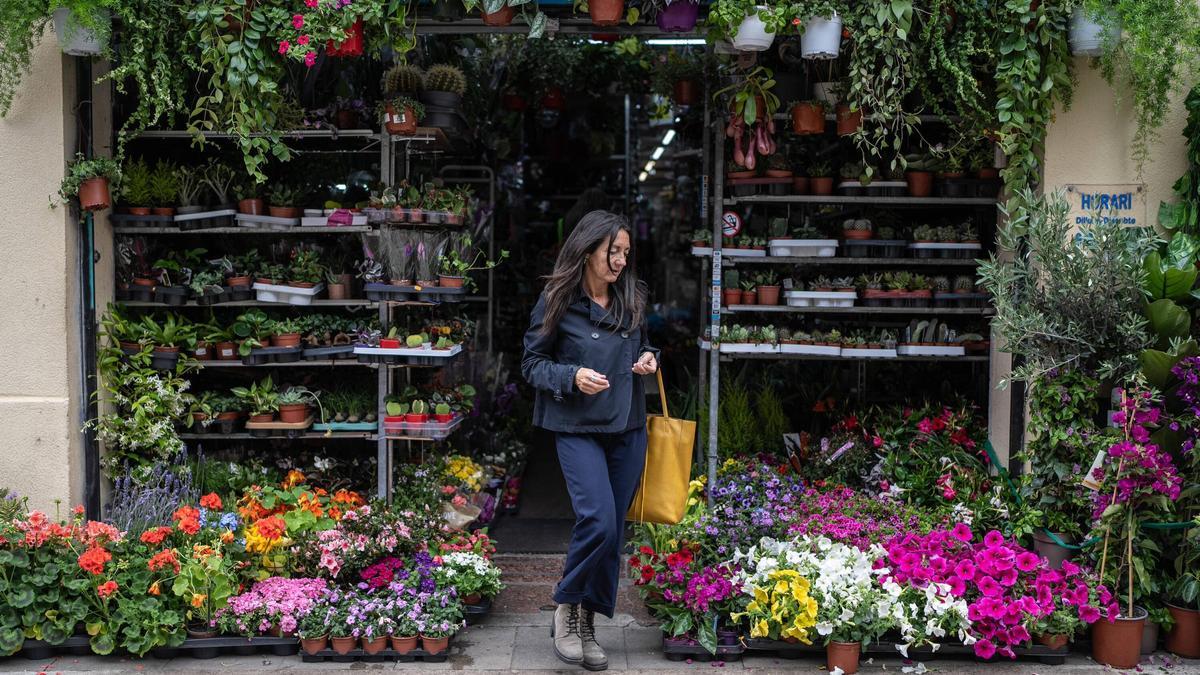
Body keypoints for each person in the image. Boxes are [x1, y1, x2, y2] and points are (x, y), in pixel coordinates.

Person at [521, 210, 658, 671]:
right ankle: (565, 605)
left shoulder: (630, 297)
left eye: (625, 252)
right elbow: (532, 364)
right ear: (587, 251)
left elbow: (645, 345)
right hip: (576, 427)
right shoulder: (557, 300)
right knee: (596, 520)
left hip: (627, 427)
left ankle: (588, 623)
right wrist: (571, 375)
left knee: (613, 532)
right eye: (611, 252)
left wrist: (647, 360)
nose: (620, 261)